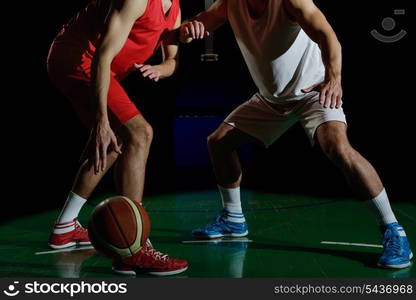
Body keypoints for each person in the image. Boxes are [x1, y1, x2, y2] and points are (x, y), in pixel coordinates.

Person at [179, 0, 413, 269]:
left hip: (312, 92)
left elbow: (328, 36)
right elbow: (201, 22)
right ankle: (233, 219)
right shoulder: (231, 3)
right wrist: (189, 29)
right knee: (218, 142)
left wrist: (334, 79)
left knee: (338, 147)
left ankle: (393, 230)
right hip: (270, 100)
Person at [47, 0, 190, 275]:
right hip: (79, 58)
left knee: (115, 141)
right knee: (140, 133)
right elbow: (102, 55)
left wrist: (161, 68)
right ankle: (134, 250)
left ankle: (64, 228)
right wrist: (101, 121)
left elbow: (172, 61)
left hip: (95, 65)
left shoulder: (174, 8)